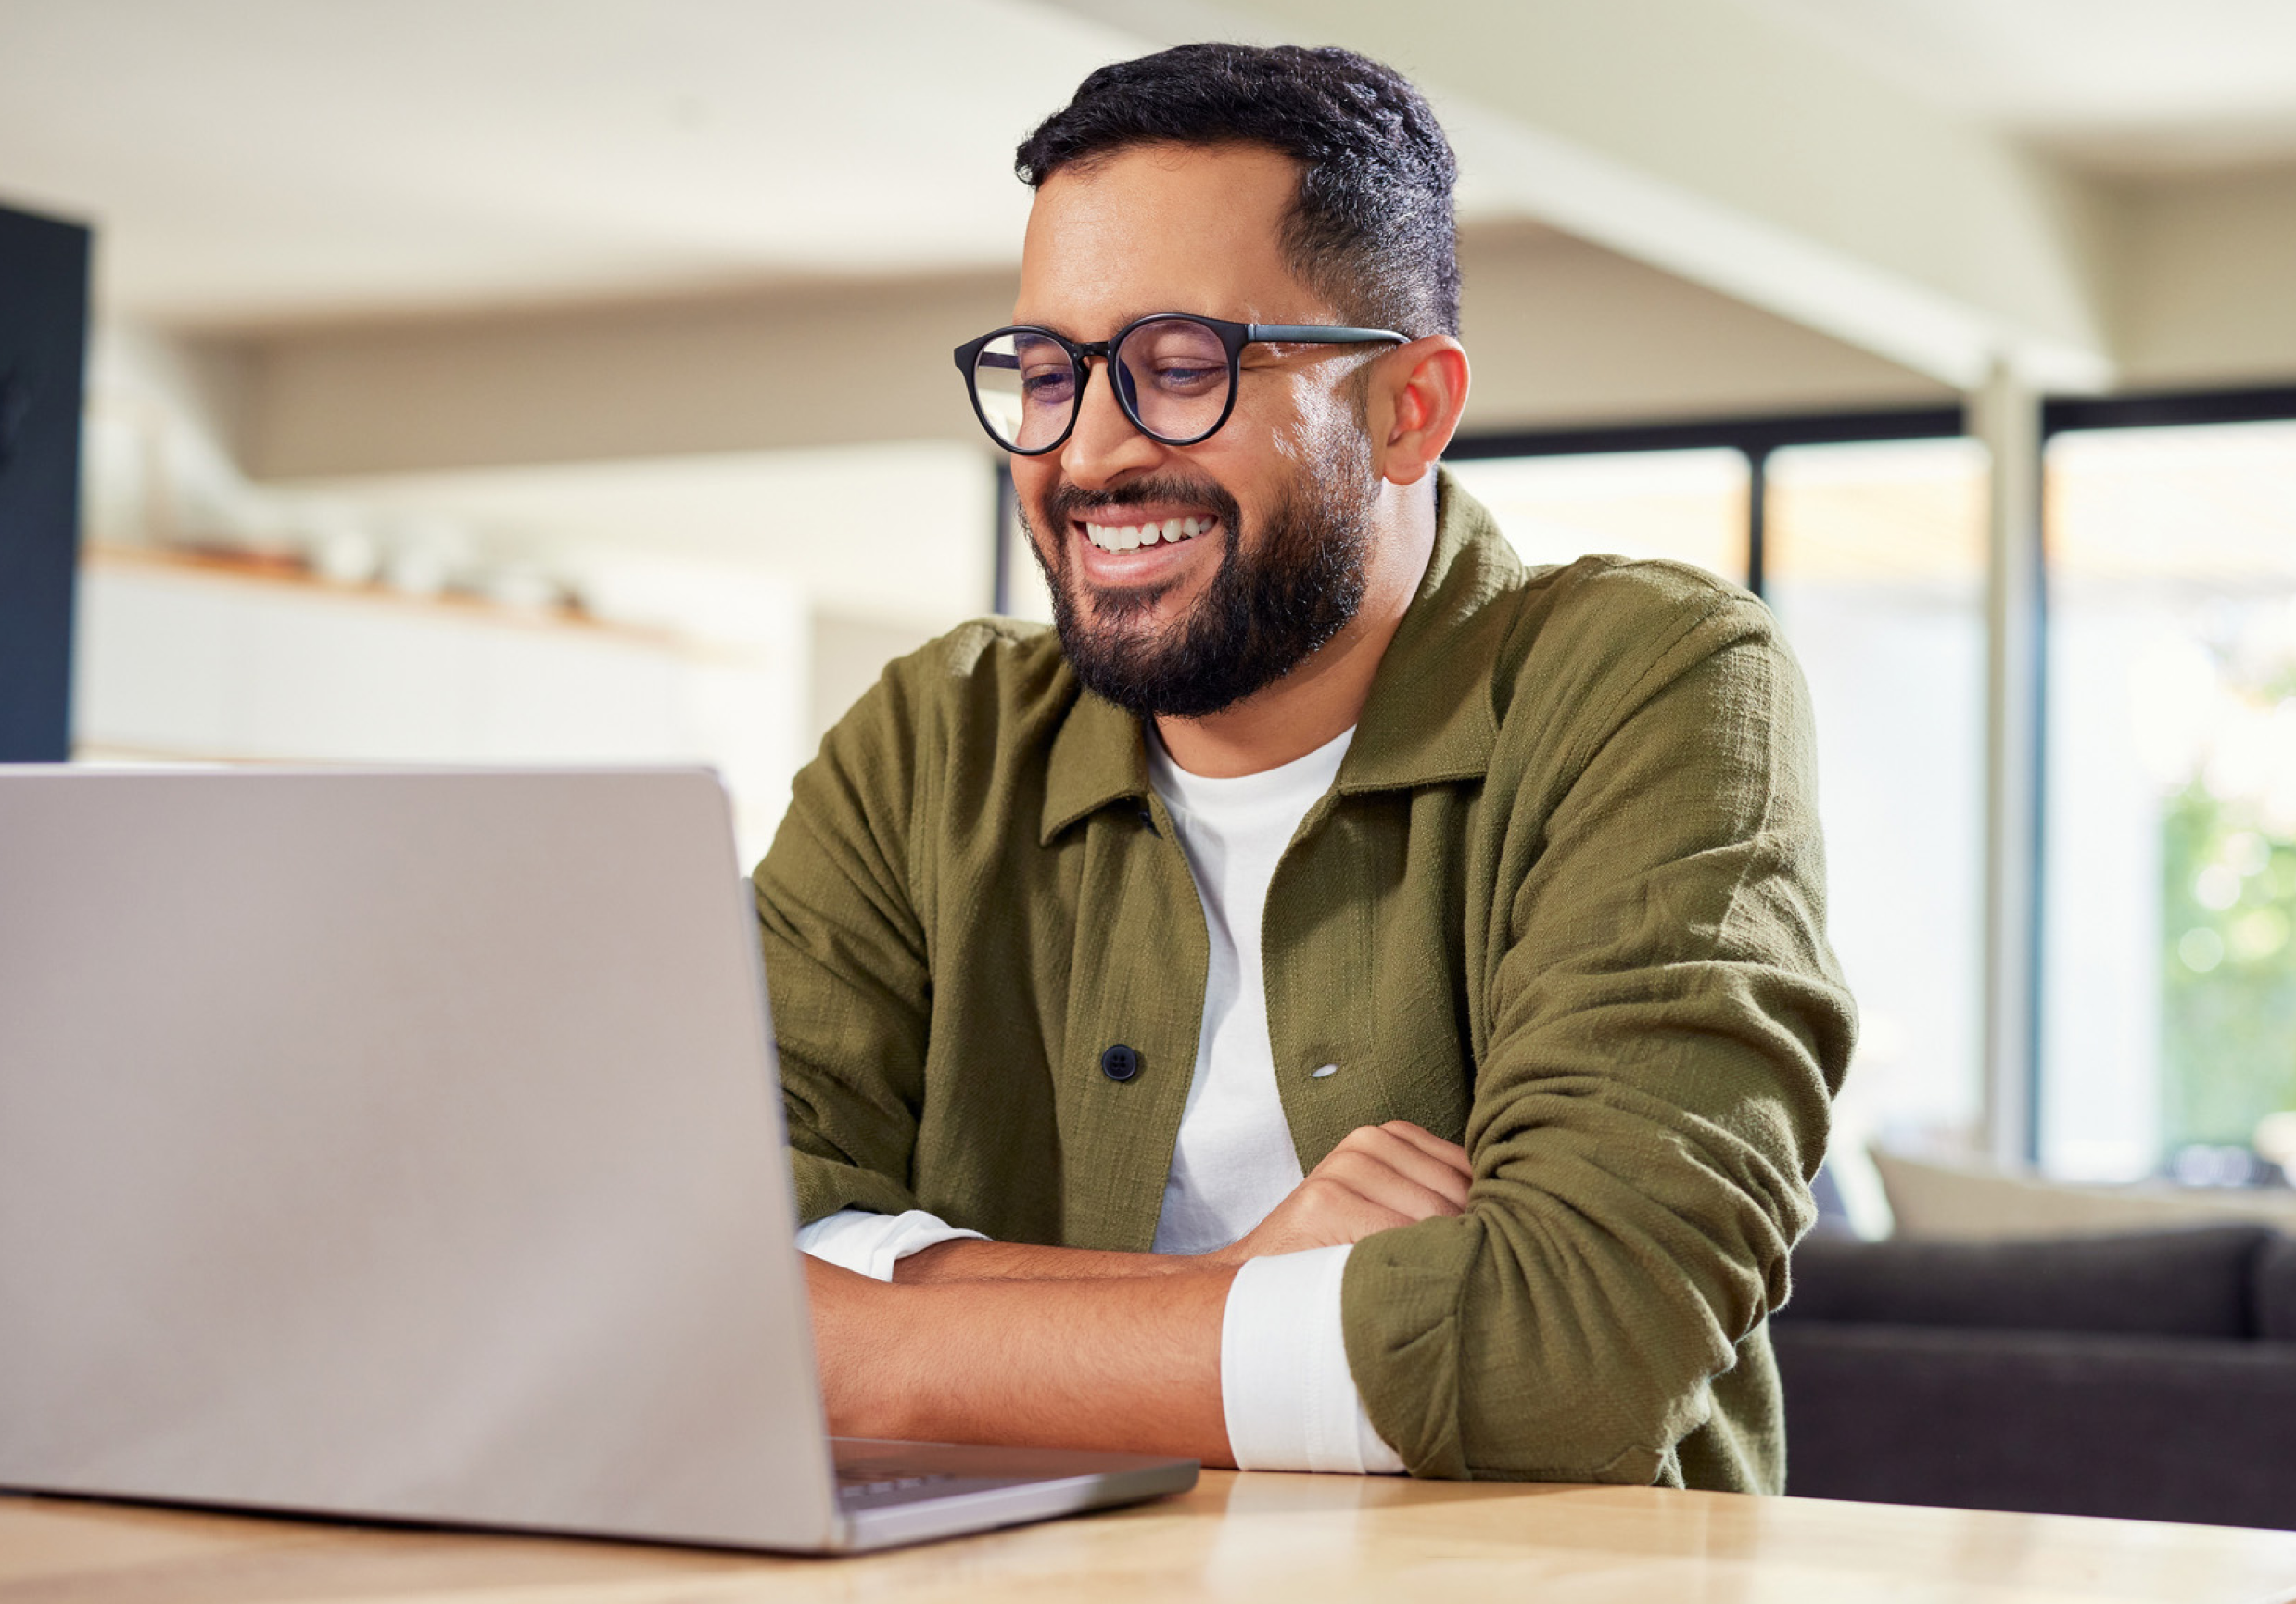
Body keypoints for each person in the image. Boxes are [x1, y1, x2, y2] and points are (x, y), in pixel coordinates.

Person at [765, 41, 1852, 1493]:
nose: (1086, 453)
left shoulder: (1649, 683)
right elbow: (694, 1248)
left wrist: (875, 1348)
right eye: (1045, 371)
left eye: (1181, 368)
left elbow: (1577, 1342)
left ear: (1408, 407)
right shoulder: (931, 741)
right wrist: (1251, 1290)